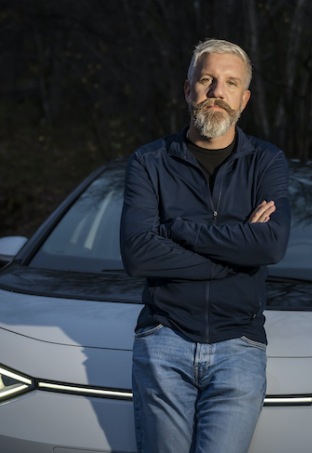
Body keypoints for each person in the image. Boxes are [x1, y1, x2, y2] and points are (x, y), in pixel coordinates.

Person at [120, 39, 291, 453]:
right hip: (164, 338)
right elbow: (137, 252)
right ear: (188, 89)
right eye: (208, 79)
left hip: (240, 345)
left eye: (230, 83)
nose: (217, 91)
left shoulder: (267, 162)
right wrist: (237, 256)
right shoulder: (149, 161)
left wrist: (180, 230)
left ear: (244, 99)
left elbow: (270, 245)